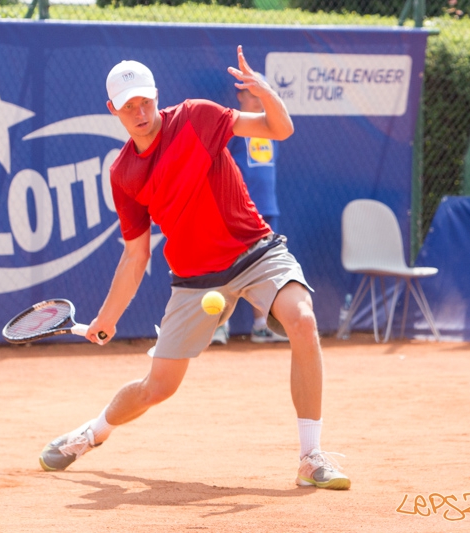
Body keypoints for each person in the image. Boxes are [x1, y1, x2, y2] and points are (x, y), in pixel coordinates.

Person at [38, 46, 351, 490]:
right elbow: (135, 255)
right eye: (129, 106)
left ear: (155, 95)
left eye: (145, 100)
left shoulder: (198, 117)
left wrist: (266, 94)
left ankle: (310, 456)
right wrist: (107, 318)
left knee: (302, 319)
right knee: (157, 388)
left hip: (254, 251)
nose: (140, 111)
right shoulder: (124, 174)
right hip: (195, 279)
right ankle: (91, 434)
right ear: (114, 110)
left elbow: (279, 129)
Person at [212, 77, 289, 345]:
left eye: (260, 93)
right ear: (240, 96)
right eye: (250, 93)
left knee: (264, 267)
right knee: (225, 265)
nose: (256, 98)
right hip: (237, 211)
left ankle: (261, 326)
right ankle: (219, 326)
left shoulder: (272, 129)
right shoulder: (233, 129)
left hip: (267, 209)